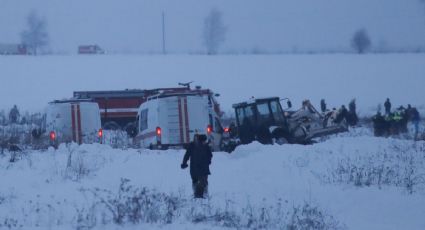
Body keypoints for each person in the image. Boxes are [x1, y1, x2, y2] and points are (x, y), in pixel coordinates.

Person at [181, 134, 213, 198]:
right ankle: (203, 194)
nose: (204, 142)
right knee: (202, 181)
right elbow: (210, 155)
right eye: (204, 141)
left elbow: (187, 155)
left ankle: (198, 193)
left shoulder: (192, 145)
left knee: (196, 181)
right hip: (201, 168)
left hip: (195, 168)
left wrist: (184, 163)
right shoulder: (204, 146)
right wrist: (208, 161)